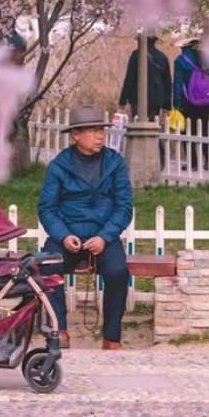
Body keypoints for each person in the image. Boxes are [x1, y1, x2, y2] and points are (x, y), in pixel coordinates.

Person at [38, 104, 133, 350]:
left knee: (117, 271)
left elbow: (124, 207)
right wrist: (63, 235)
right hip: (67, 234)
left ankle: (111, 337)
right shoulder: (59, 165)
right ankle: (59, 330)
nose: (100, 135)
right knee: (48, 268)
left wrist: (105, 237)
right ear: (76, 135)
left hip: (103, 236)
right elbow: (47, 208)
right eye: (92, 130)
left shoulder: (115, 163)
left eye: (101, 129)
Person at [173, 40, 209, 166]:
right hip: (206, 102)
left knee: (187, 132)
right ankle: (208, 160)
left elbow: (178, 83)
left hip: (188, 102)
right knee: (203, 130)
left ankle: (193, 162)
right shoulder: (208, 60)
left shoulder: (180, 60)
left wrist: (176, 104)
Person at [119, 35, 172, 122]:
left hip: (137, 98)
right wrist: (167, 105)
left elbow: (129, 78)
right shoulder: (162, 57)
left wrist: (122, 101)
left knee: (138, 126)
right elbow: (167, 83)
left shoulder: (136, 55)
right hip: (156, 99)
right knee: (152, 127)